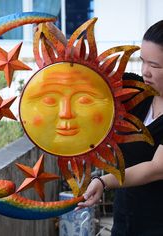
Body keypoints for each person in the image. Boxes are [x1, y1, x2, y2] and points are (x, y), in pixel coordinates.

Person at [76, 20, 163, 236]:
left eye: (155, 65)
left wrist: (103, 181)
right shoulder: (134, 91)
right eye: (142, 61)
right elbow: (86, 68)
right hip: (125, 221)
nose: (145, 72)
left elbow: (156, 168)